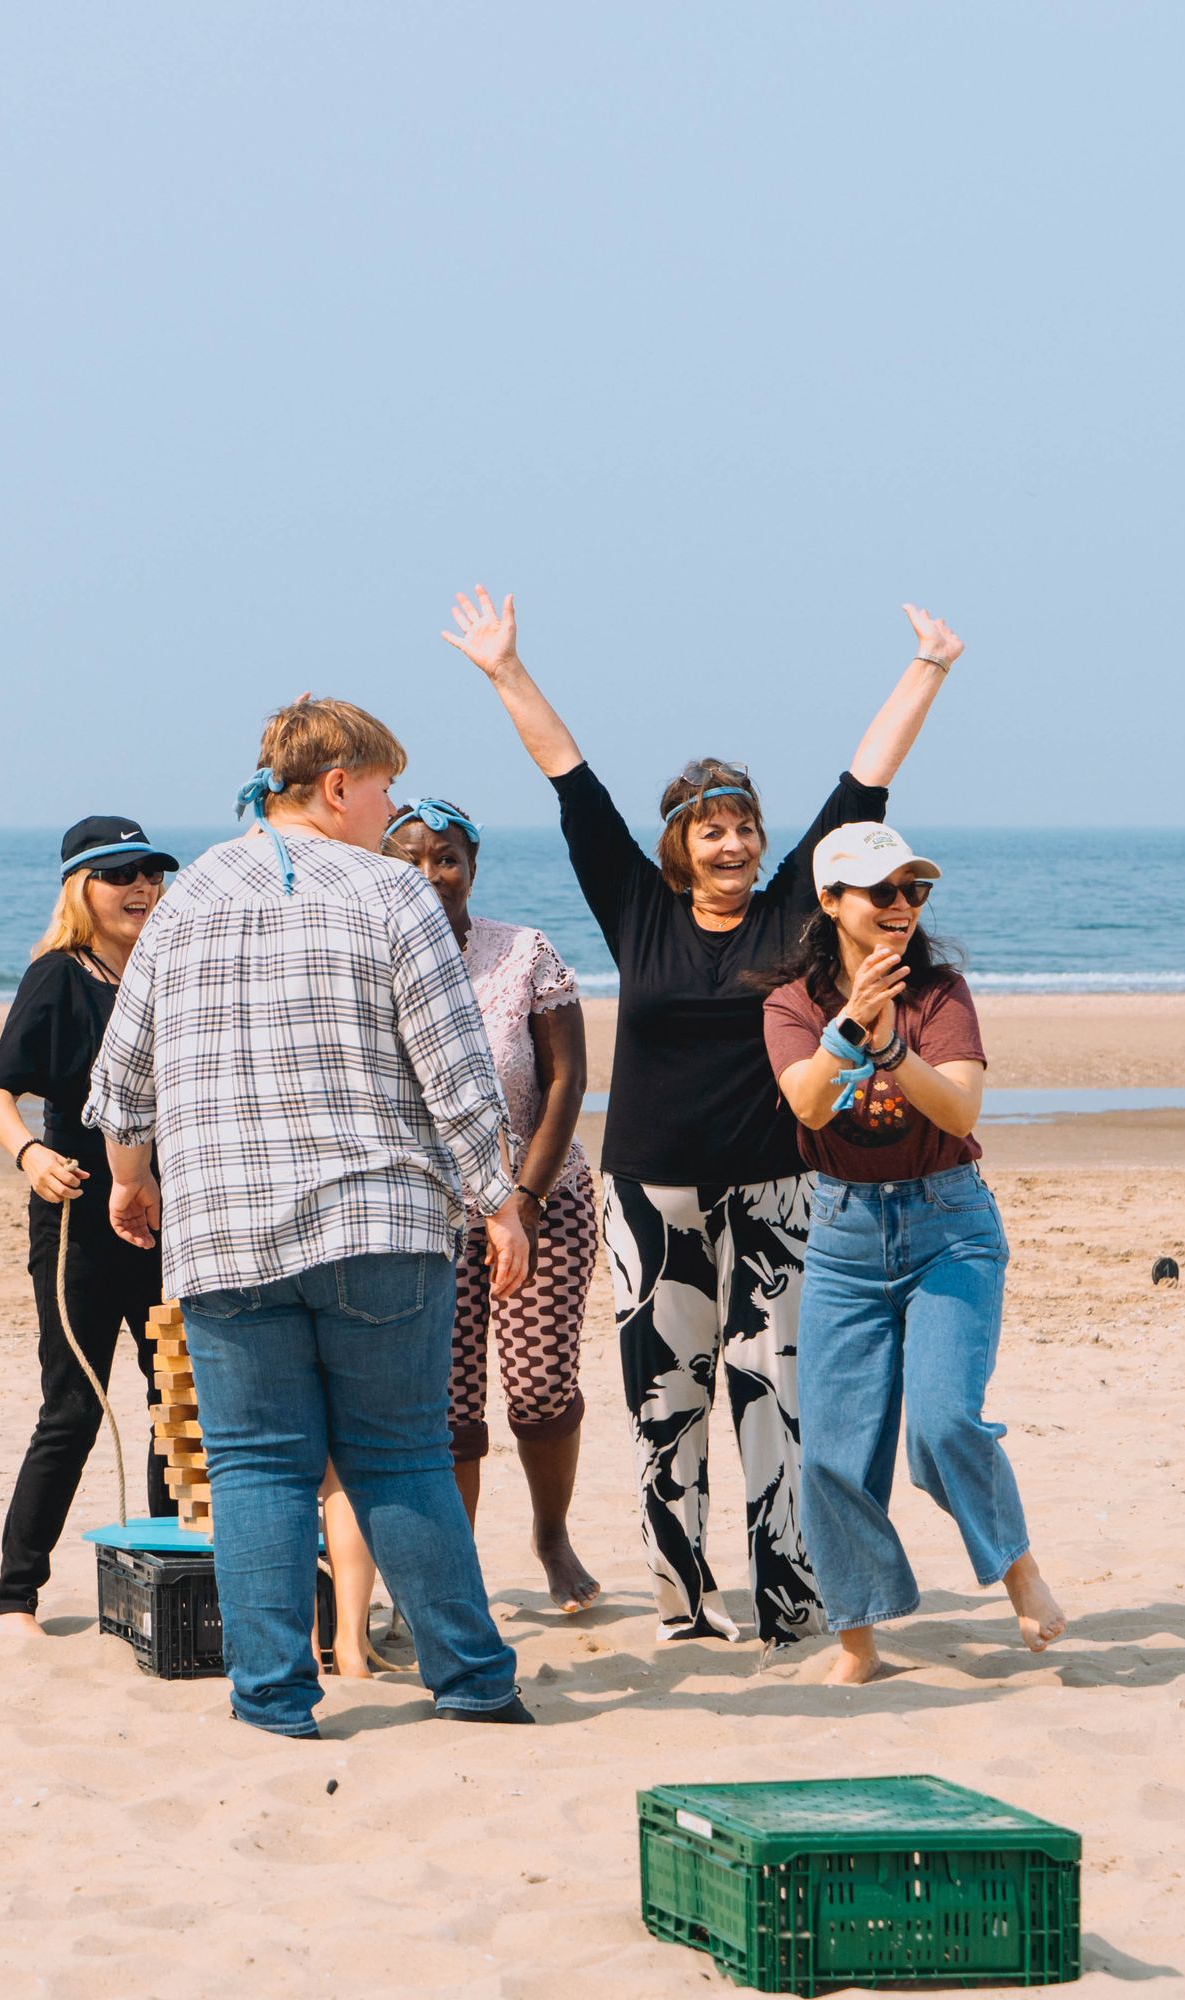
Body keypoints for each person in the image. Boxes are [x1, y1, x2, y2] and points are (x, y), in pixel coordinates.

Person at [442, 586, 961, 1648]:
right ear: (680, 845)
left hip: (777, 1189)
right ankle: (684, 1605)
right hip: (652, 1193)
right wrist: (505, 670)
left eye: (745, 828)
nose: (733, 844)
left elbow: (864, 783)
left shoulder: (791, 910)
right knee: (664, 1401)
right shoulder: (636, 907)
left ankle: (790, 1603)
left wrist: (928, 668)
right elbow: (571, 781)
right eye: (712, 830)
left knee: (776, 1397)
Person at [85, 697, 536, 1738]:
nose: (390, 811)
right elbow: (456, 1074)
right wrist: (499, 1198)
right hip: (379, 1223)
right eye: (384, 790)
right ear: (337, 786)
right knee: (401, 1454)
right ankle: (472, 1682)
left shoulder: (189, 895)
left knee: (256, 1468)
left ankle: (274, 1697)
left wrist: (129, 1178)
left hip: (225, 1231)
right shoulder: (393, 891)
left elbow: (123, 1077)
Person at [763, 822, 1065, 1684]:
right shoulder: (790, 1005)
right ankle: (859, 1643)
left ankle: (1017, 1568)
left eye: (914, 890)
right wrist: (851, 1024)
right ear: (832, 902)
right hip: (844, 1235)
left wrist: (892, 1044)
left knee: (943, 1424)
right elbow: (809, 1105)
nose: (902, 905)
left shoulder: (941, 994)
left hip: (950, 1226)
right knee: (833, 1454)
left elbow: (959, 1112)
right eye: (882, 891)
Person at [377, 794, 603, 1615]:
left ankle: (552, 1535)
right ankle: (457, 1570)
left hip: (542, 1196)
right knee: (444, 1401)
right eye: (410, 860)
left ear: (473, 867)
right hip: (428, 1217)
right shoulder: (366, 960)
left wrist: (527, 1203)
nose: (430, 873)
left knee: (539, 1386)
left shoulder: (523, 953)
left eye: (447, 858)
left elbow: (566, 1080)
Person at [0, 817, 179, 1636]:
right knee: (74, 1409)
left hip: (172, 1220)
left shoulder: (172, 970)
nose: (141, 886)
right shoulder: (58, 977)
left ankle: (174, 1571)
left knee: (181, 1404)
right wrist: (30, 1155)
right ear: (79, 890)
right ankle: (16, 1596)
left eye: (151, 871)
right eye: (119, 874)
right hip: (79, 1224)